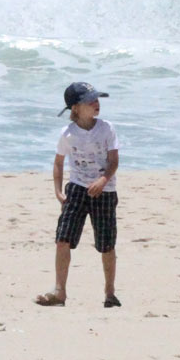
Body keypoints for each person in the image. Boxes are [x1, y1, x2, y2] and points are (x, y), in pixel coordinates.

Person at [35, 82, 122, 308]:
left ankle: (110, 293)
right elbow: (58, 162)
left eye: (97, 99)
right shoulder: (67, 134)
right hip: (76, 189)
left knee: (106, 245)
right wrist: (57, 190)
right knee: (63, 239)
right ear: (75, 108)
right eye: (90, 100)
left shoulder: (106, 128)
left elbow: (113, 161)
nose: (96, 103)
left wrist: (103, 180)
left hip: (105, 191)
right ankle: (59, 291)